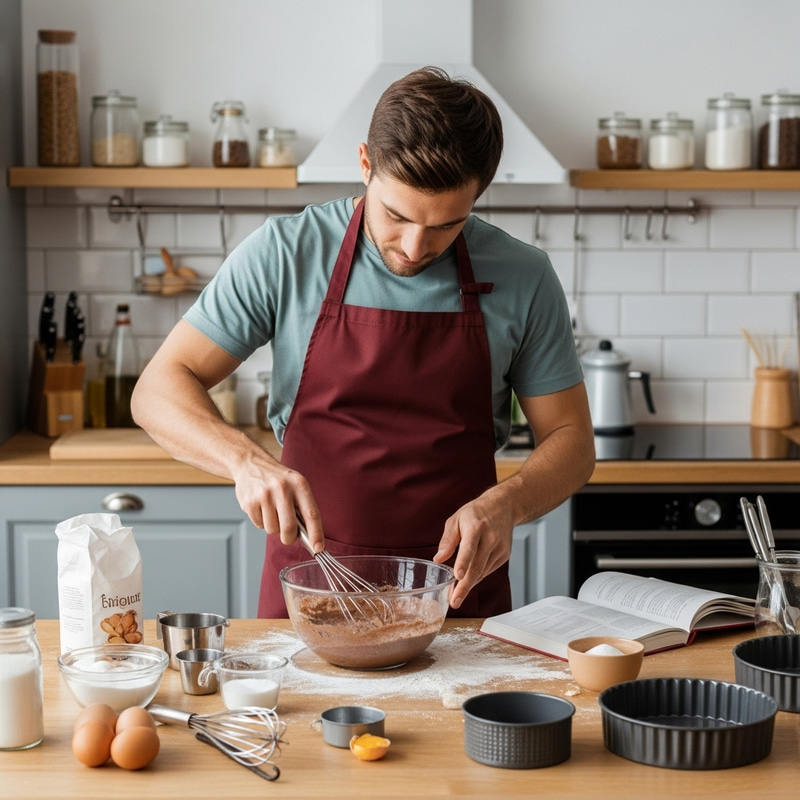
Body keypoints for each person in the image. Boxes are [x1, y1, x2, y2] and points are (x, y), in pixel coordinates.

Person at [131, 66, 595, 618]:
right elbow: (156, 389)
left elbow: (572, 441)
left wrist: (508, 504)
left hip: (455, 595)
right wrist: (245, 462)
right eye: (395, 215)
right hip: (311, 582)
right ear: (364, 165)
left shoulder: (524, 275)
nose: (415, 247)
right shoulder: (286, 253)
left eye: (448, 225)